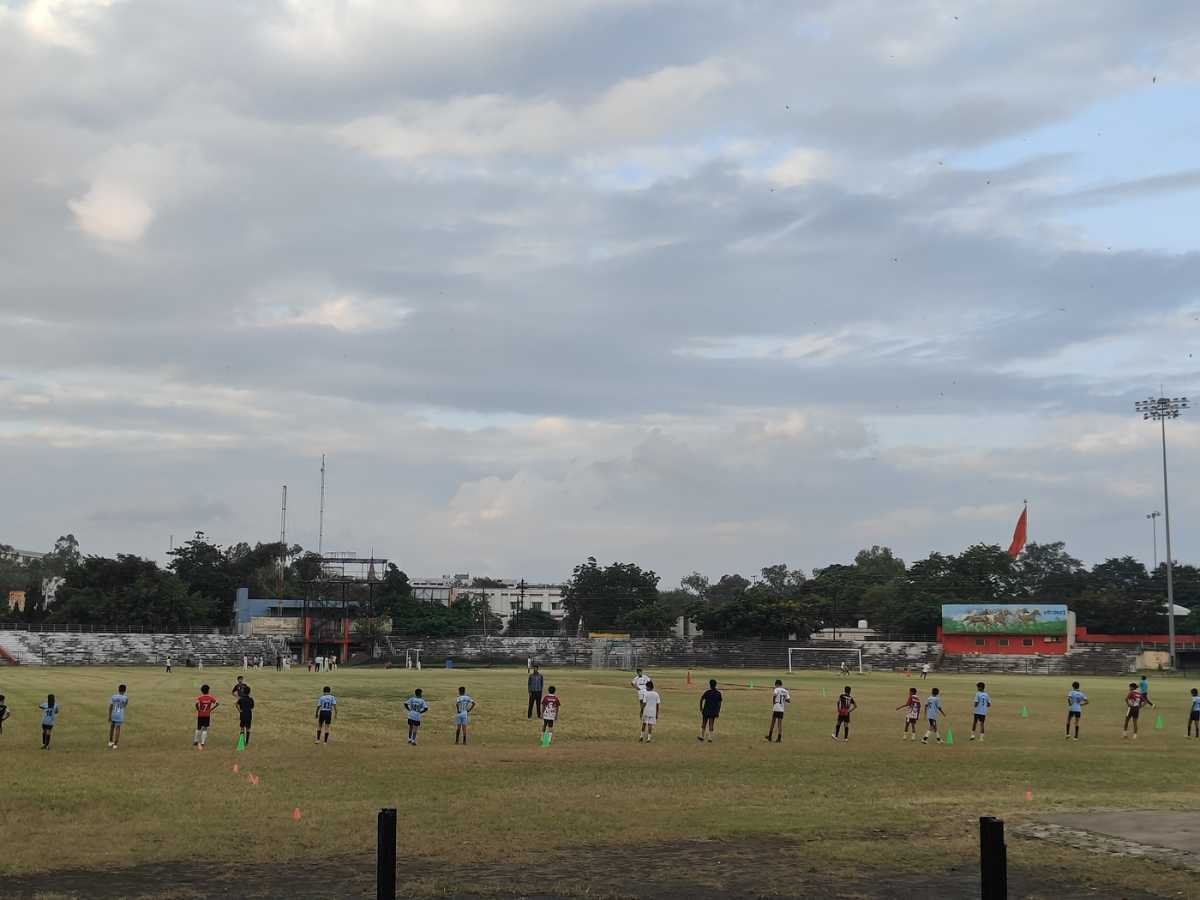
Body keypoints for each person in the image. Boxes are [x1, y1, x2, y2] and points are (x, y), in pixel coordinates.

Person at [194, 684, 218, 751]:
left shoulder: (200, 698)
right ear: (208, 690)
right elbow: (217, 703)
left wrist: (198, 709)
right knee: (205, 728)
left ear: (201, 691)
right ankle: (202, 742)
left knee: (198, 727)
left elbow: (196, 704)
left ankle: (196, 741)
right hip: (207, 714)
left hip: (200, 714)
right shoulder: (210, 698)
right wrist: (211, 709)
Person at [108, 684, 129, 749]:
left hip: (113, 714)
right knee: (118, 728)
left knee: (112, 727)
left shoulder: (113, 696)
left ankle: (110, 741)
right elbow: (124, 705)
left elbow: (111, 706)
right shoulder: (125, 698)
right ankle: (115, 744)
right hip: (120, 715)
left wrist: (109, 715)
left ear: (118, 689)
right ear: (125, 691)